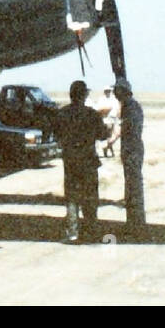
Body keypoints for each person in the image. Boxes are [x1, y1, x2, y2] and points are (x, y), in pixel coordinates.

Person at [53, 80, 110, 244]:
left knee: (71, 197)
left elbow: (56, 134)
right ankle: (91, 231)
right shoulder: (92, 114)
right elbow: (103, 135)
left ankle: (72, 232)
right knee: (90, 196)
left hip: (70, 160)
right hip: (88, 160)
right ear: (84, 95)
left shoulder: (62, 113)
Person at [114, 77, 147, 239]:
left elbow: (128, 129)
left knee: (133, 187)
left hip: (132, 150)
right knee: (132, 186)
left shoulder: (130, 107)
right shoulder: (130, 106)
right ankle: (134, 222)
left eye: (117, 90)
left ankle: (135, 224)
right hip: (132, 149)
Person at [97, 86, 121, 157]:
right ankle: (108, 151)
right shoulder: (101, 99)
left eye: (109, 91)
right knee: (108, 136)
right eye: (106, 91)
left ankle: (107, 149)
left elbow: (117, 109)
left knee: (113, 136)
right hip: (105, 120)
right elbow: (99, 109)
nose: (108, 92)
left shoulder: (114, 99)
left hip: (113, 119)